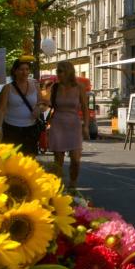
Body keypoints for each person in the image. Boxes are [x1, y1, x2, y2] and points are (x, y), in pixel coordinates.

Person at [48, 60, 89, 189]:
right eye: (57, 71)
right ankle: (58, 187)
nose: (58, 74)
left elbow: (85, 108)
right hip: (58, 124)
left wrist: (86, 126)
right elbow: (48, 104)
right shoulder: (55, 87)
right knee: (58, 161)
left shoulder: (79, 88)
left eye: (60, 71)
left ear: (68, 72)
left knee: (76, 160)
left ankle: (72, 184)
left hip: (74, 125)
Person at [0, 60, 44, 155]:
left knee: (29, 160)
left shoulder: (35, 85)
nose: (25, 72)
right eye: (21, 69)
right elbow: (2, 109)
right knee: (11, 160)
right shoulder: (7, 88)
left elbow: (41, 102)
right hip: (11, 129)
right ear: (15, 71)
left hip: (31, 129)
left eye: (27, 69)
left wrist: (38, 108)